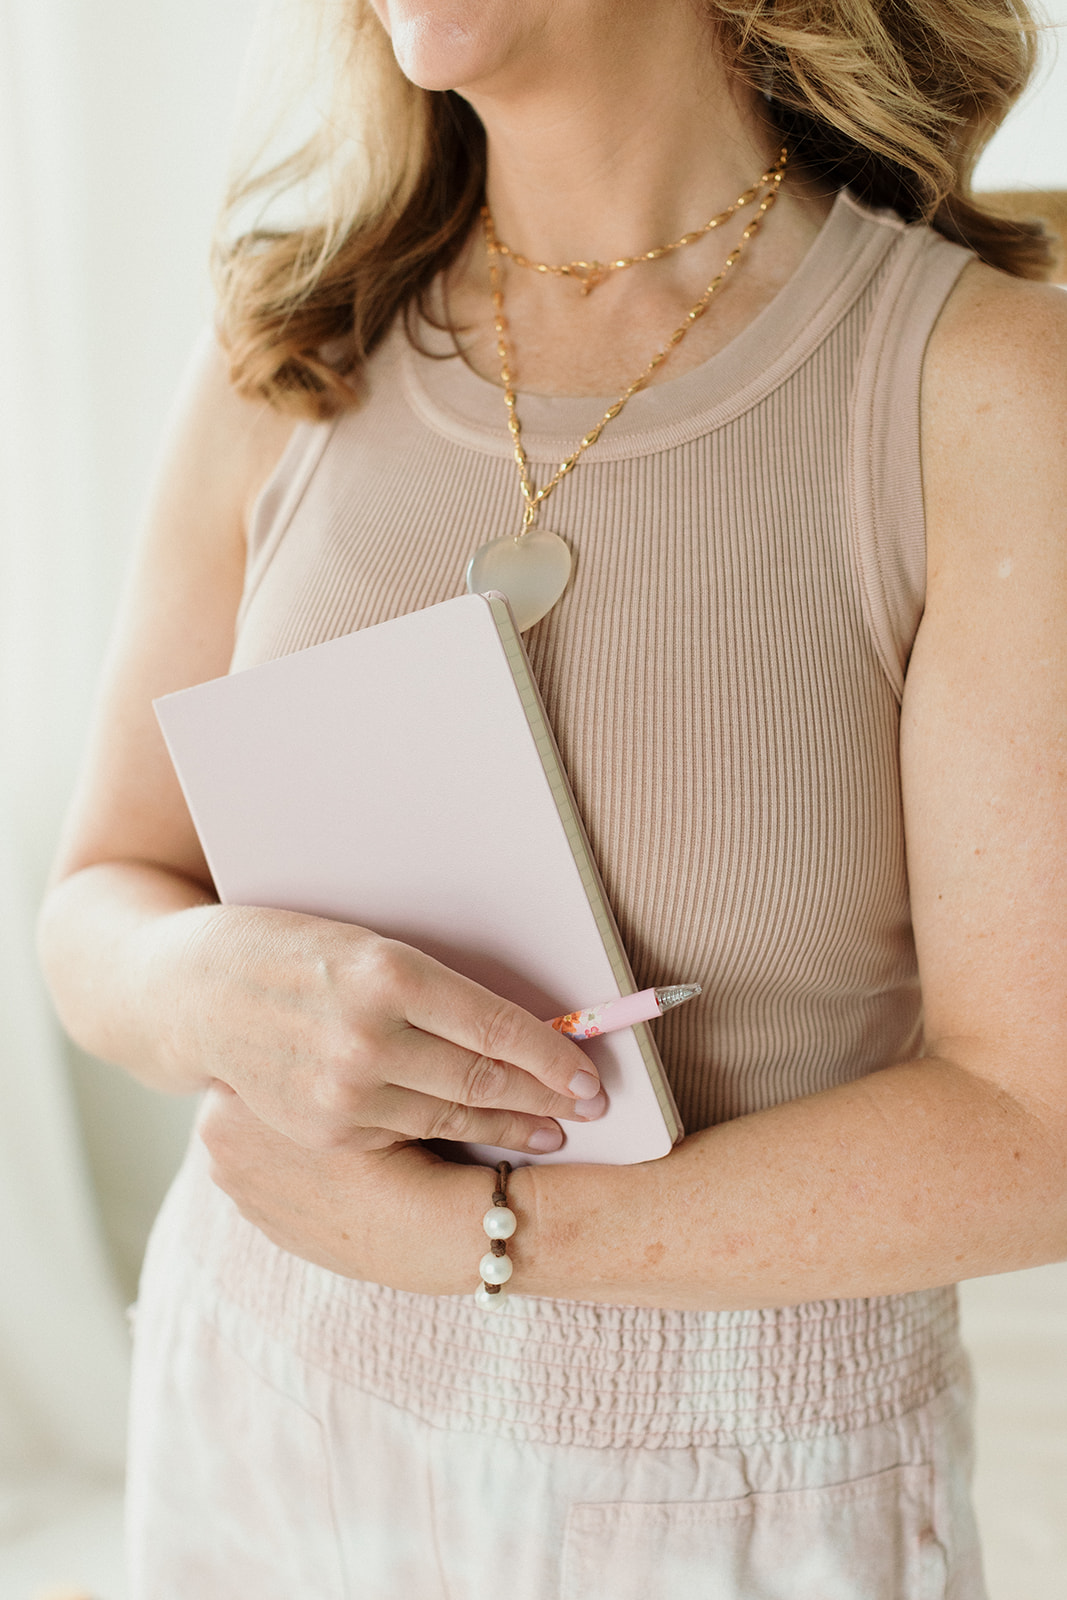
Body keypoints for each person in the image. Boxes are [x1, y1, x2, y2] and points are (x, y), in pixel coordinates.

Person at [37, 0, 1066, 1595]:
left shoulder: (980, 387)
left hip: (722, 1491)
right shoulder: (294, 340)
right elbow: (97, 899)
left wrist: (486, 1244)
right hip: (262, 1395)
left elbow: (1040, 1127)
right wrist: (216, 989)